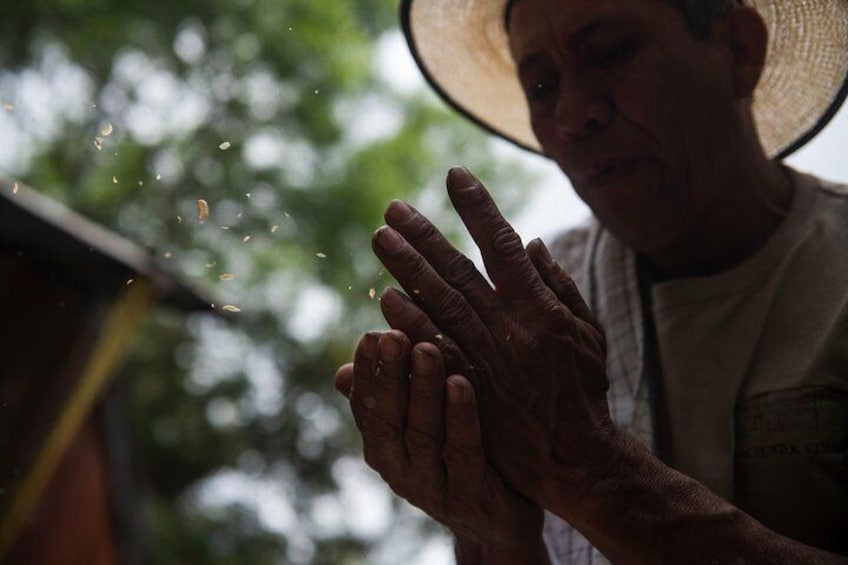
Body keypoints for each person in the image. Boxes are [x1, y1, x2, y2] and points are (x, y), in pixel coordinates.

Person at [334, 0, 848, 562]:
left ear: (739, 50)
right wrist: (495, 533)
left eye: (614, 51)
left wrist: (591, 474)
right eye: (539, 85)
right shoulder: (531, 332)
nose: (574, 112)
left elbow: (583, 471)